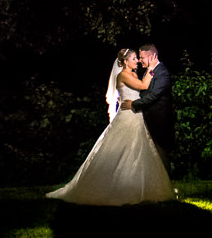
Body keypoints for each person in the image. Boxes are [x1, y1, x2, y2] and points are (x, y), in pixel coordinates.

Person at [46, 48, 173, 205]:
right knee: (121, 149)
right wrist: (152, 70)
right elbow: (143, 86)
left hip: (137, 116)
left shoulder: (133, 74)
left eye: (137, 58)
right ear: (125, 61)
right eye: (134, 58)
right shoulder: (123, 75)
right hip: (127, 116)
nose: (137, 61)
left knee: (138, 151)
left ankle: (137, 186)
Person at [119, 44, 174, 174]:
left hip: (159, 120)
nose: (139, 60)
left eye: (142, 57)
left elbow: (153, 95)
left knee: (161, 152)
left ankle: (166, 185)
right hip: (147, 118)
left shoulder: (163, 72)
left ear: (152, 56)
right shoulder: (152, 70)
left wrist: (134, 104)